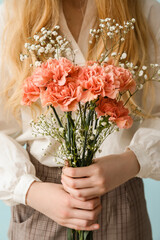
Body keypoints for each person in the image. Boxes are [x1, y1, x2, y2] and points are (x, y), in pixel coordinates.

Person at [0, 0, 160, 239]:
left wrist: (132, 161)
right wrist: (31, 190)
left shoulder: (143, 10)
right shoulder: (12, 14)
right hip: (42, 204)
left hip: (123, 197)